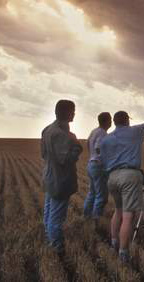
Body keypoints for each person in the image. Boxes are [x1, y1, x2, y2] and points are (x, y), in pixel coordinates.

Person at [100, 108, 144, 263]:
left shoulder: (106, 139)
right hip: (130, 175)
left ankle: (113, 242)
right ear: (127, 120)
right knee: (128, 216)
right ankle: (123, 252)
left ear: (114, 123)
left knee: (118, 210)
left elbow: (102, 159)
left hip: (112, 177)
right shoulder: (135, 131)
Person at [41, 99, 83, 254]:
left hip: (50, 178)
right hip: (60, 180)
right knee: (56, 217)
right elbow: (66, 159)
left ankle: (49, 238)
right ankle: (56, 247)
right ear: (66, 113)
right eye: (73, 111)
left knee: (49, 211)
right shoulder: (61, 134)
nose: (74, 114)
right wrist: (77, 146)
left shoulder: (47, 130)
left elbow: (43, 154)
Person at [83, 112, 112, 222]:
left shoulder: (94, 131)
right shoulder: (103, 133)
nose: (111, 122)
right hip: (99, 166)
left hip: (91, 164)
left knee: (92, 192)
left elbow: (87, 143)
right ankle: (96, 219)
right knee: (102, 196)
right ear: (107, 121)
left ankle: (86, 216)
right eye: (110, 120)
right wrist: (102, 159)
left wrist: (92, 156)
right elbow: (98, 148)